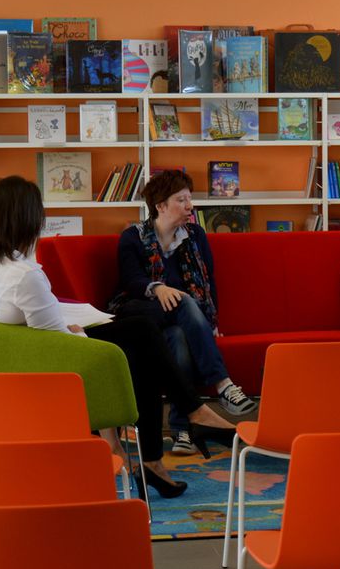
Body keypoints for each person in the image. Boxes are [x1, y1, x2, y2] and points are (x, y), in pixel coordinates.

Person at [0, 176, 238, 500]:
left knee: (141, 333)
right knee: (138, 347)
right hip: (53, 376)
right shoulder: (25, 274)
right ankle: (175, 427)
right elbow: (57, 338)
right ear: (27, 219)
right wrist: (74, 331)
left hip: (17, 364)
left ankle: (155, 449)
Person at [110, 170, 257, 455]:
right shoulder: (132, 237)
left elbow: (208, 279)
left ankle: (181, 431)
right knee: (185, 301)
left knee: (178, 337)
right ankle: (223, 384)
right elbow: (130, 280)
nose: (190, 205)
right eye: (182, 199)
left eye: (190, 198)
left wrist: (210, 323)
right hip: (141, 315)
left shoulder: (196, 235)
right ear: (161, 206)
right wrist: (157, 288)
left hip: (178, 321)